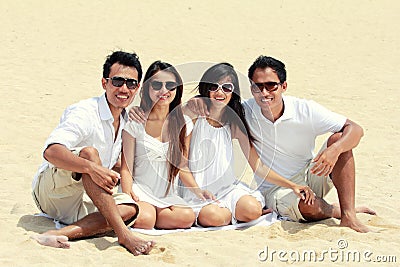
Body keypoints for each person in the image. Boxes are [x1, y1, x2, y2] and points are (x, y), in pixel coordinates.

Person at [184, 56, 376, 233]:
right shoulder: (243, 112)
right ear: (251, 88)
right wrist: (191, 105)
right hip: (277, 189)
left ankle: (349, 215)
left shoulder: (304, 109)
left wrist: (335, 150)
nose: (264, 92)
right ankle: (334, 209)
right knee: (308, 206)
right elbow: (200, 113)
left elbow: (355, 129)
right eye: (258, 86)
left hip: (311, 173)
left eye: (271, 85)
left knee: (339, 140)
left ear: (283, 85)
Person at [130, 63, 315, 227]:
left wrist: (291, 185)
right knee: (214, 217)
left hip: (227, 189)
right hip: (198, 192)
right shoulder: (194, 115)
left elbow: (258, 166)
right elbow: (182, 163)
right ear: (206, 89)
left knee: (251, 210)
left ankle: (238, 209)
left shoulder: (233, 122)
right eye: (214, 87)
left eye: (227, 87)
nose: (220, 93)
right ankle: (223, 212)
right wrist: (198, 190)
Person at [31, 51, 155, 255]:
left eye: (131, 84)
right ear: (104, 83)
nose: (124, 89)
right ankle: (123, 234)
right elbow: (51, 152)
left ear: (137, 88)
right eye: (117, 81)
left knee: (131, 208)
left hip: (82, 199)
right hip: (52, 193)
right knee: (89, 154)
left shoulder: (126, 120)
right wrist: (91, 167)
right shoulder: (85, 112)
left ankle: (59, 233)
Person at [120, 60, 208, 230]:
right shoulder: (135, 123)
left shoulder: (184, 124)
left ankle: (156, 214)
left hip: (168, 195)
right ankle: (150, 214)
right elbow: (126, 168)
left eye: (170, 85)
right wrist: (127, 194)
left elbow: (182, 166)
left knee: (187, 217)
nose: (164, 91)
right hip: (141, 191)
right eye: (157, 85)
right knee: (145, 220)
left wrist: (198, 191)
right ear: (146, 88)